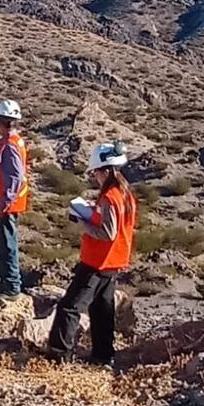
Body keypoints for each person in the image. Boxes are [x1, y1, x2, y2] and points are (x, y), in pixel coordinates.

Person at [47, 141, 138, 367]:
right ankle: (103, 355)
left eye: (96, 172)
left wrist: (81, 221)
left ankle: (58, 356)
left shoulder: (110, 197)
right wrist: (93, 210)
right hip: (112, 262)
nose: (94, 176)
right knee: (101, 310)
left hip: (97, 261)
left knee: (69, 306)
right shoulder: (124, 192)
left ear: (105, 170)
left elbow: (107, 232)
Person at [0, 99, 30, 301]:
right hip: (3, 204)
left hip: (4, 206)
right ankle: (6, 282)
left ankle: (11, 285)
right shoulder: (12, 142)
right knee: (3, 244)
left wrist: (3, 202)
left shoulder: (9, 146)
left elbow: (15, 177)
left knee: (6, 244)